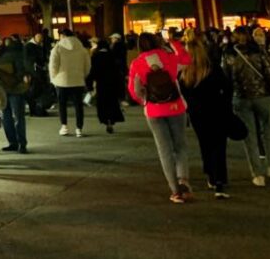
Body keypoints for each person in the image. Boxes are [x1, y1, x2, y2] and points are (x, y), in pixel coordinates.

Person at [128, 33, 192, 203]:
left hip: (154, 110)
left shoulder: (137, 63)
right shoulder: (169, 58)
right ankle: (183, 181)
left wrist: (144, 101)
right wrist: (174, 43)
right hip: (175, 106)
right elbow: (186, 60)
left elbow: (134, 90)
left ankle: (175, 190)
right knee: (180, 145)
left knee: (164, 150)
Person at [223, 28, 270, 187]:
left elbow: (226, 80)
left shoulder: (229, 54)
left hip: (241, 98)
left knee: (249, 137)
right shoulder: (258, 52)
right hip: (263, 96)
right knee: (269, 133)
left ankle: (257, 174)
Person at [179, 29, 233, 199]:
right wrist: (226, 103)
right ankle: (220, 180)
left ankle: (210, 173)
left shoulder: (185, 73)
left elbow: (182, 94)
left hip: (197, 113)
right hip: (217, 109)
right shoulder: (212, 68)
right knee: (219, 145)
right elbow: (228, 87)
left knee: (205, 144)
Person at [49, 30, 91, 137]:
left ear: (62, 36)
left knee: (62, 105)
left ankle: (64, 126)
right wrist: (83, 75)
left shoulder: (57, 48)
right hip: (77, 80)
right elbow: (87, 65)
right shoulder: (82, 49)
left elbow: (53, 65)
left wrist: (53, 78)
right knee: (78, 105)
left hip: (62, 81)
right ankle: (79, 128)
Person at [0, 39, 30, 153]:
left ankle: (12, 142)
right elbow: (22, 70)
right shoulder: (19, 55)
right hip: (16, 90)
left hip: (4, 90)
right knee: (18, 118)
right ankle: (22, 144)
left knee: (6, 118)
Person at [86, 39, 125, 133]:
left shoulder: (96, 56)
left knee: (102, 104)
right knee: (112, 103)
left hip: (101, 84)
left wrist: (89, 85)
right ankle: (111, 120)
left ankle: (105, 120)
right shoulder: (112, 56)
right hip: (112, 84)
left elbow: (92, 72)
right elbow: (117, 72)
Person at [24, 32, 51, 116]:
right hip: (34, 72)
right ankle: (34, 110)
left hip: (39, 72)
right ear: (34, 37)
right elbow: (27, 61)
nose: (40, 38)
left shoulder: (40, 46)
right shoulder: (28, 46)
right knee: (33, 91)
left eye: (41, 37)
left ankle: (38, 109)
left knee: (38, 91)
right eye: (38, 37)